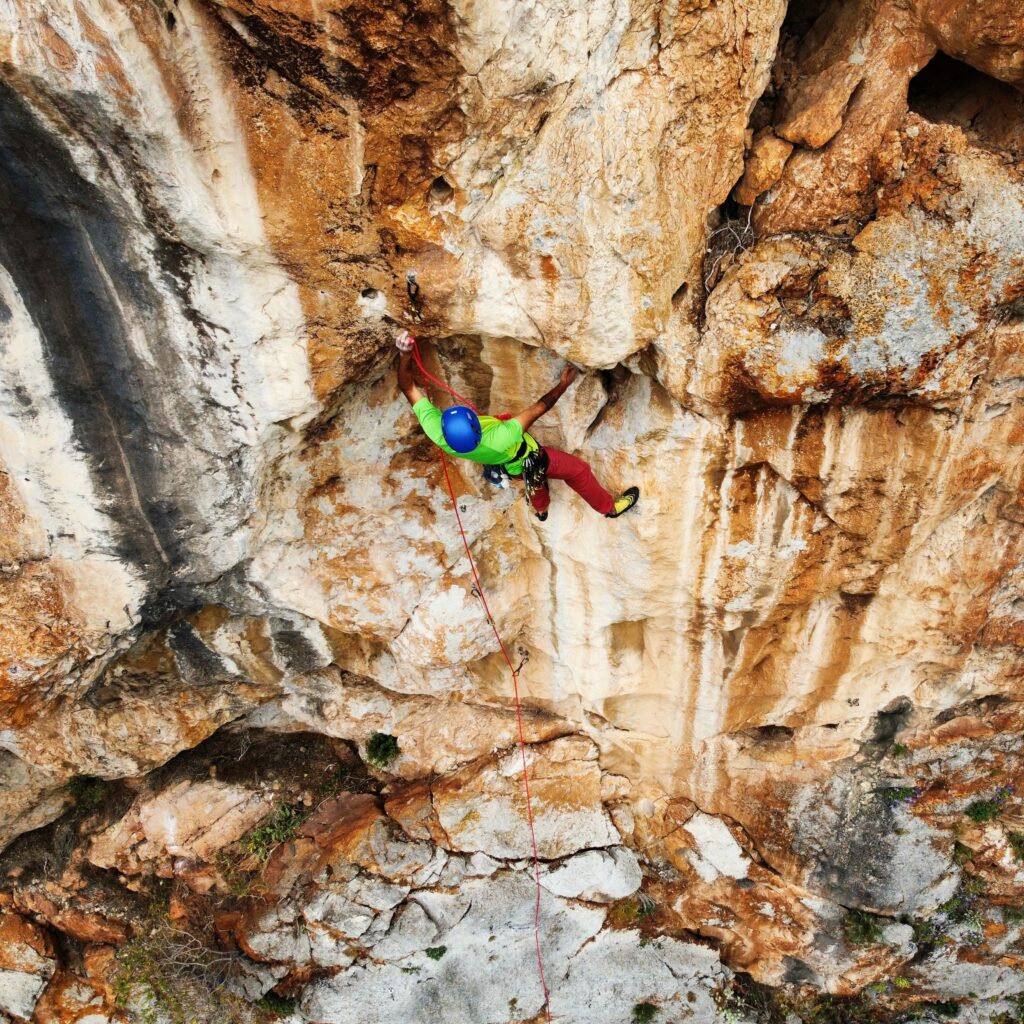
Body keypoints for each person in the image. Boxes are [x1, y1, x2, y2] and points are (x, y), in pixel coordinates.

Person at [395, 331, 639, 521]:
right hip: (527, 457)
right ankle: (609, 509)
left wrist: (405, 354)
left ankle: (541, 511)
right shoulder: (502, 436)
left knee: (535, 483)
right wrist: (563, 384)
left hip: (512, 467)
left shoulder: (438, 433)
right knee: (577, 471)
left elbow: (407, 387)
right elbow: (539, 407)